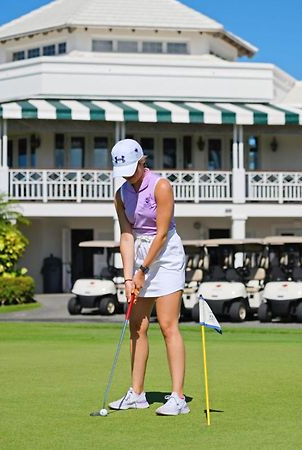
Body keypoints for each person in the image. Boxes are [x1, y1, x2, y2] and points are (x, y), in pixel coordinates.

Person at [109, 138, 189, 416]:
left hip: (165, 255)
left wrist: (143, 270)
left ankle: (178, 398)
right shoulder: (120, 194)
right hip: (140, 253)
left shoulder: (161, 186)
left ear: (143, 161)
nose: (130, 175)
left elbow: (162, 233)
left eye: (134, 168)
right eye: (125, 171)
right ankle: (137, 394)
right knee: (137, 327)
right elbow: (127, 235)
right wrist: (129, 275)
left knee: (168, 325)